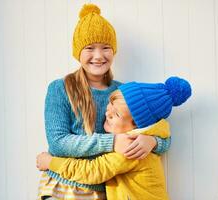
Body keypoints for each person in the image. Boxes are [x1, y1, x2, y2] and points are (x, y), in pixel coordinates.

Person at [37, 3, 171, 200]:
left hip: (105, 189)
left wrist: (152, 142)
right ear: (78, 52)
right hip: (63, 185)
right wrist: (113, 141)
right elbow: (58, 143)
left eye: (106, 48)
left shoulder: (123, 92)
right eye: (90, 48)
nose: (98, 56)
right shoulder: (60, 88)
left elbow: (163, 136)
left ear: (113, 51)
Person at [37, 77, 192, 200]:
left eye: (116, 114)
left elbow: (92, 171)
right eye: (110, 103)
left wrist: (50, 162)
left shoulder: (131, 148)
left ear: (135, 125)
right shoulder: (143, 135)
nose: (107, 112)